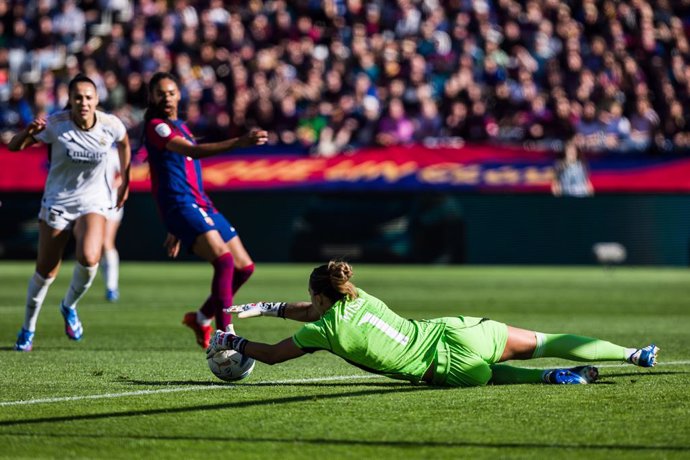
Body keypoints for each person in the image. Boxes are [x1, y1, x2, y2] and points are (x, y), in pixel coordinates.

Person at [208, 261, 659, 387]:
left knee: (484, 375)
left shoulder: (324, 330)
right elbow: (313, 310)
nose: (309, 302)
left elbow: (269, 355)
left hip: (447, 371)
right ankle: (632, 354)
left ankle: (546, 380)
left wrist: (233, 339)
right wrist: (265, 307)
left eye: (311, 296)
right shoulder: (357, 296)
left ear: (322, 297)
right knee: (546, 339)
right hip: (459, 331)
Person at [142, 71, 268, 349]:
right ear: (151, 97)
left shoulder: (180, 125)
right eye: (160, 92)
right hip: (181, 204)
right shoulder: (156, 126)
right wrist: (239, 142)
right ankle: (227, 337)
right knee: (223, 261)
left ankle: (201, 318)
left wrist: (180, 228)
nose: (167, 97)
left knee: (244, 267)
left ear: (179, 94)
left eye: (171, 91)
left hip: (200, 203)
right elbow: (192, 153)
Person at [8, 74, 131, 351]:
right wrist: (29, 132)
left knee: (90, 257)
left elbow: (124, 143)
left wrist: (125, 179)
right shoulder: (55, 125)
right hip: (58, 202)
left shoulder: (110, 125)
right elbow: (15, 146)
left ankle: (69, 306)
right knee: (45, 272)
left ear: (97, 99)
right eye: (78, 97)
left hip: (94, 202)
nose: (83, 102)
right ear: (70, 101)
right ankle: (28, 328)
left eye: (89, 97)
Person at [101, 146, 124, 302]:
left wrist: (112, 185)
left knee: (106, 242)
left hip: (110, 202)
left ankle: (111, 287)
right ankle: (109, 286)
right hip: (87, 202)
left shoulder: (113, 152)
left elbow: (124, 174)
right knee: (94, 248)